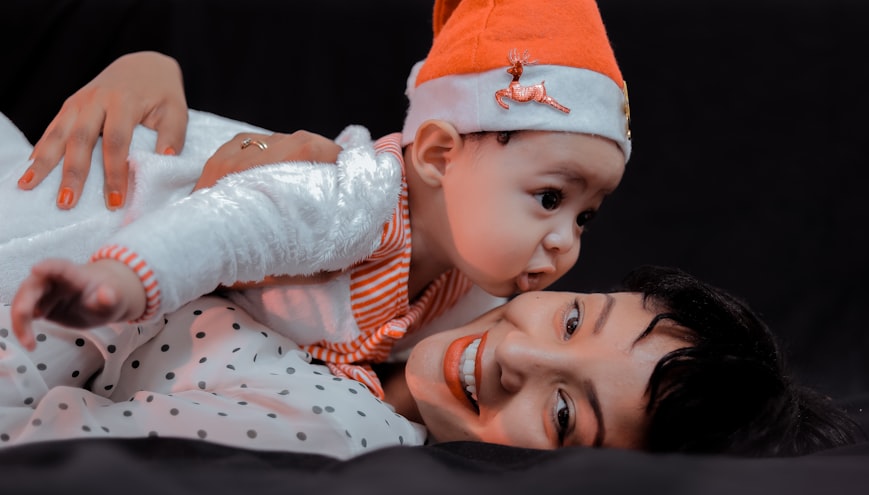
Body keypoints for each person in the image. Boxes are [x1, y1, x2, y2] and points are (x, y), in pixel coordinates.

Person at [1, 0, 632, 399]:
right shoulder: (357, 199)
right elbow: (230, 228)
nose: (564, 240)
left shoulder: (470, 293)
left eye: (585, 216)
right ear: (439, 155)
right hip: (117, 214)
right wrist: (119, 281)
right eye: (549, 197)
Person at [0, 263, 863, 457]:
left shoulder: (334, 428)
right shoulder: (414, 283)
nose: (512, 352)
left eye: (565, 415)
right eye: (570, 318)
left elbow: (47, 434)